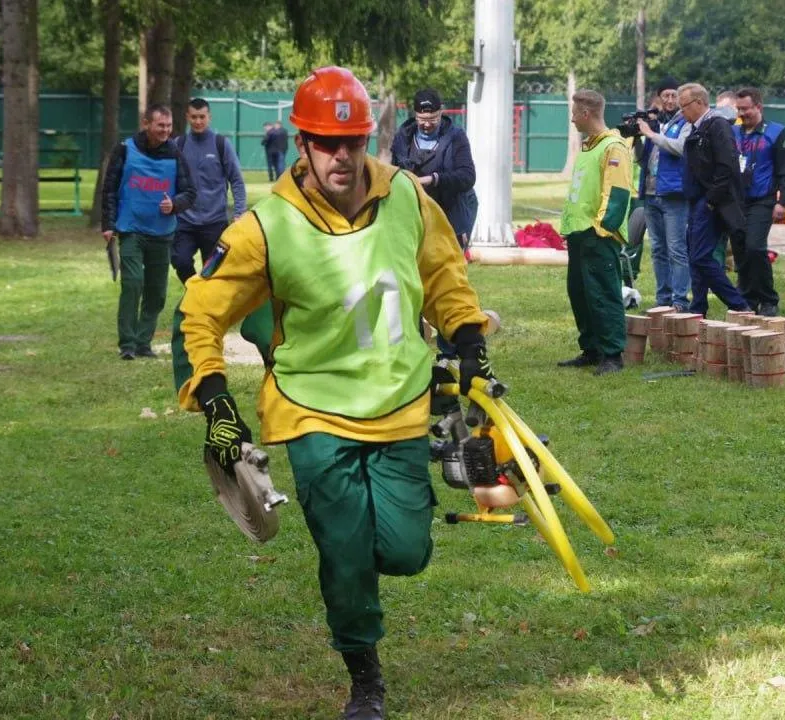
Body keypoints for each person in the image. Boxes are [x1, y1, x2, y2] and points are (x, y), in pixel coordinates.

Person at [176, 66, 495, 720]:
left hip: (404, 402)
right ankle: (365, 677)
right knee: (346, 555)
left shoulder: (407, 194)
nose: (342, 156)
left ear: (368, 138)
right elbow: (202, 311)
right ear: (303, 144)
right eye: (327, 143)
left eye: (352, 141)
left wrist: (467, 337)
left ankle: (371, 554)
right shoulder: (266, 226)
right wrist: (216, 404)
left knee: (405, 552)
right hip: (311, 411)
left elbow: (442, 272)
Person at [101, 104, 196, 360]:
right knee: (132, 283)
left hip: (162, 234)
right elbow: (109, 188)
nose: (165, 130)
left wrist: (174, 204)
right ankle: (128, 345)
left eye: (168, 125)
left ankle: (144, 342)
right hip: (131, 229)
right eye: (160, 125)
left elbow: (190, 193)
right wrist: (108, 225)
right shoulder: (124, 149)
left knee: (156, 291)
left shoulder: (176, 154)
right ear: (146, 124)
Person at [557, 89, 633, 375]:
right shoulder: (590, 146)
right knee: (580, 293)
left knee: (603, 294)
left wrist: (602, 229)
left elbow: (617, 192)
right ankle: (591, 349)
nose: (572, 119)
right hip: (579, 234)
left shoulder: (613, 147)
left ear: (586, 114)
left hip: (597, 235)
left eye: (574, 114)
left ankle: (613, 355)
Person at [679, 83, 750, 317]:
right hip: (695, 200)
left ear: (699, 102)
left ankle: (738, 304)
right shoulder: (696, 127)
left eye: (685, 106)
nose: (682, 112)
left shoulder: (717, 126)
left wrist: (710, 201)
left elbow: (728, 166)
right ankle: (698, 307)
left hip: (710, 202)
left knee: (700, 256)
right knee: (695, 256)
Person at [732, 88, 785, 315]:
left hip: (763, 199)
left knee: (755, 247)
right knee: (740, 250)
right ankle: (748, 298)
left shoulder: (777, 133)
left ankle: (768, 299)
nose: (742, 113)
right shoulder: (733, 132)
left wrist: (783, 202)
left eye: (746, 108)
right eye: (739, 109)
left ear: (758, 106)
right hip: (737, 201)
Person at [171, 98, 246, 284]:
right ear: (187, 117)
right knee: (180, 262)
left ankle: (206, 302)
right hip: (184, 222)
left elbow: (236, 180)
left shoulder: (221, 144)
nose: (198, 121)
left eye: (202, 117)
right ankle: (194, 293)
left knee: (213, 272)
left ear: (209, 117)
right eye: (194, 117)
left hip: (215, 222)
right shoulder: (177, 145)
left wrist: (239, 213)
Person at [390, 88, 478, 247]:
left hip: (453, 209)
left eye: (433, 119)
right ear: (415, 115)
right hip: (416, 210)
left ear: (441, 112)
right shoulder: (403, 138)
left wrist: (433, 179)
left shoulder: (456, 137)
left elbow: (468, 176)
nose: (427, 124)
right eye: (422, 119)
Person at [636, 78, 692, 311]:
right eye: (665, 96)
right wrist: (636, 138)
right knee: (658, 249)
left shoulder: (687, 122)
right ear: (658, 98)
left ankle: (680, 300)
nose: (669, 100)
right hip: (650, 193)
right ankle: (663, 297)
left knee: (677, 249)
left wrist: (650, 133)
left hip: (674, 195)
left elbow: (679, 148)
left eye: (673, 95)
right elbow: (643, 160)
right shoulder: (655, 124)